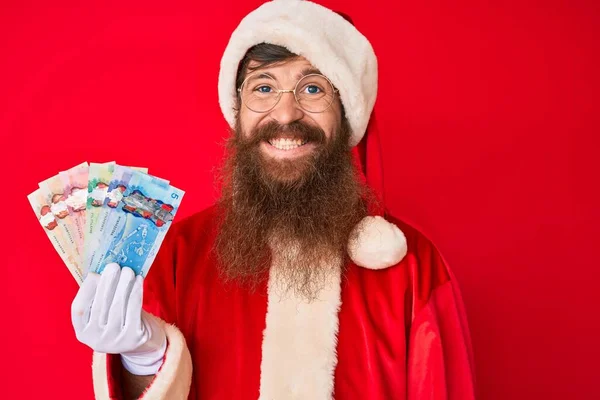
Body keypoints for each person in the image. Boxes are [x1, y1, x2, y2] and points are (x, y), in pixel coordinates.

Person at [71, 1, 476, 399]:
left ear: (346, 114)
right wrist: (142, 360)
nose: (286, 113)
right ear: (238, 110)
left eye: (313, 88)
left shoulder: (415, 269)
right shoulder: (177, 256)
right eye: (263, 87)